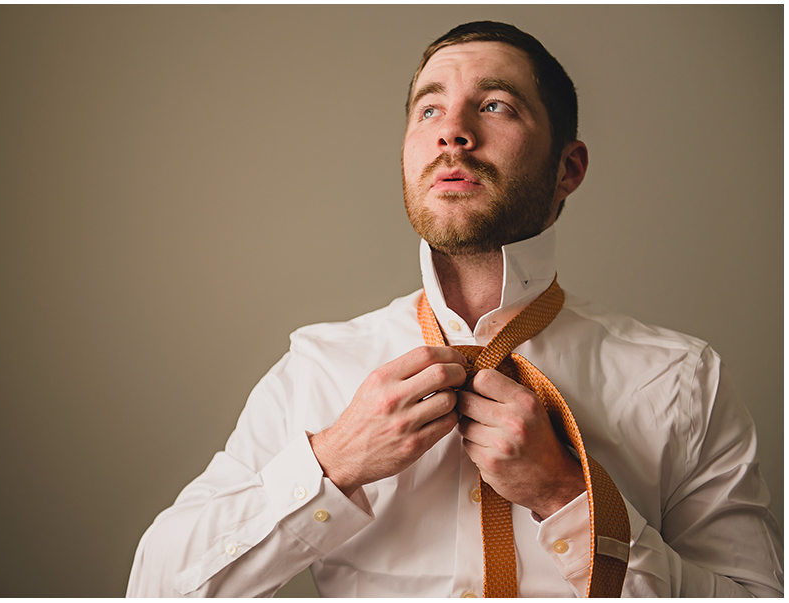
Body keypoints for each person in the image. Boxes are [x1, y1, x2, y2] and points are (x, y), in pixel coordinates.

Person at [126, 21, 782, 597]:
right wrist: (329, 466)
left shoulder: (679, 380)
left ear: (569, 168)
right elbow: (156, 588)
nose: (454, 134)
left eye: (496, 106)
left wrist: (569, 498)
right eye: (428, 110)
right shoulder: (318, 370)